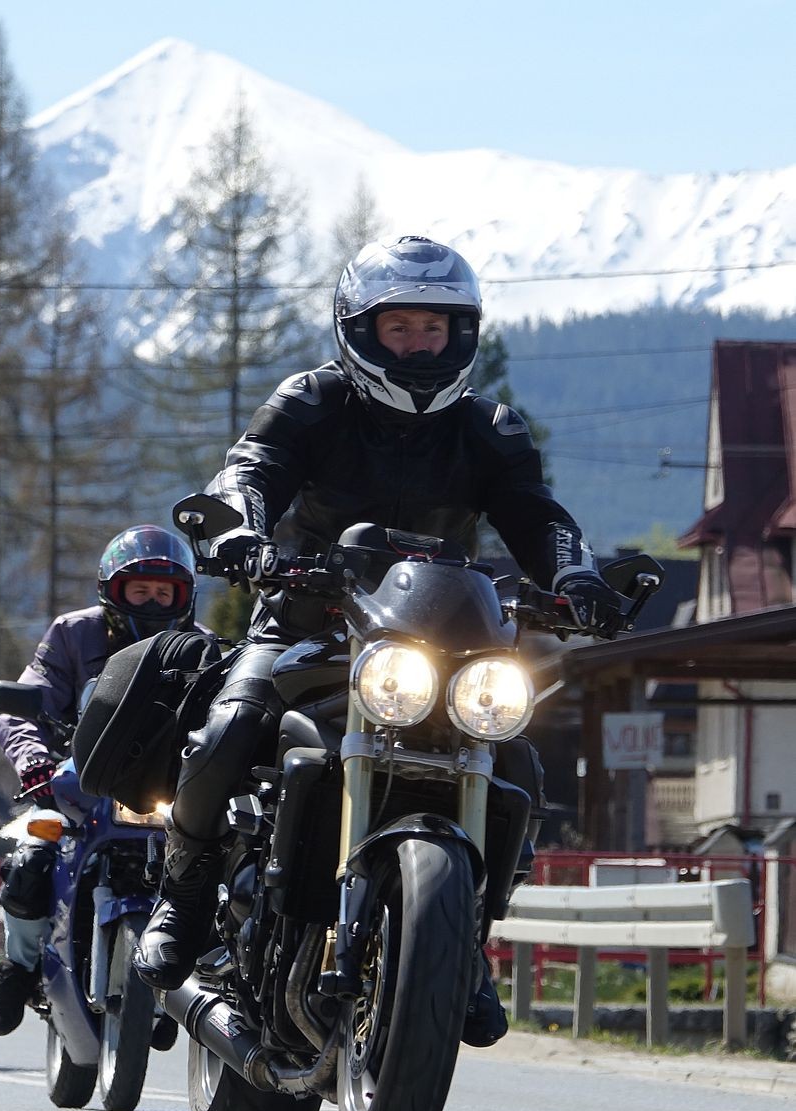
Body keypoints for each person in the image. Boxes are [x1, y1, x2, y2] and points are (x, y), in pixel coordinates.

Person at [133, 235, 625, 1047]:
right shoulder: (310, 402)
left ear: (461, 334)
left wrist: (575, 576)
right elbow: (250, 470)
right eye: (400, 328)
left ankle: (463, 940)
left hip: (442, 639)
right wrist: (241, 534)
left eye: (434, 328)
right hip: (307, 621)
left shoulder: (489, 428)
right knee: (228, 728)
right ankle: (182, 899)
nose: (418, 345)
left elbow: (536, 515)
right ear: (360, 330)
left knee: (514, 762)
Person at [0, 524, 200, 1036]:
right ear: (112, 590)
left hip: (168, 794)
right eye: (140, 590)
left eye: (164, 592)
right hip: (76, 781)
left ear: (184, 597)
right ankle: (18, 967)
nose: (152, 602)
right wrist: (34, 760)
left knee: (218, 878)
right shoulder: (73, 633)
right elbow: (23, 702)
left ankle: (195, 986)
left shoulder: (203, 648)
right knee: (30, 862)